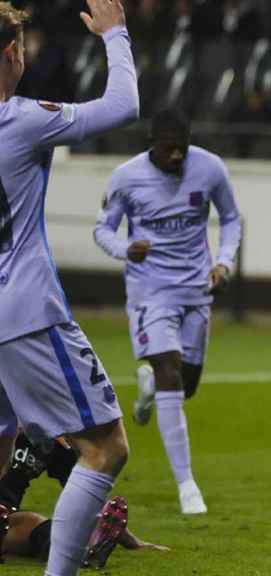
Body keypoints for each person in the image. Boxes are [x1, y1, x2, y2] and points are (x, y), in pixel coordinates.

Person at [0, 2, 138, 574]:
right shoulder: (23, 119)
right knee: (105, 448)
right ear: (13, 51)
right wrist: (116, 35)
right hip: (24, 308)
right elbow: (123, 106)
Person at [93, 107, 241, 515]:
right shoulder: (127, 177)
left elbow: (230, 217)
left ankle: (149, 389)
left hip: (196, 289)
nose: (177, 157)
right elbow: (102, 229)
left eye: (183, 148)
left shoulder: (209, 169)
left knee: (185, 385)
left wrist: (225, 261)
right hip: (150, 292)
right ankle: (187, 485)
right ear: (152, 145)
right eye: (169, 149)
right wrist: (126, 250)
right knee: (170, 370)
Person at [0, 432, 167, 567]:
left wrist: (132, 542)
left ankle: (86, 552)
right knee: (24, 520)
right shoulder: (6, 425)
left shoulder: (53, 440)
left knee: (31, 521)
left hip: (7, 519)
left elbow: (87, 492)